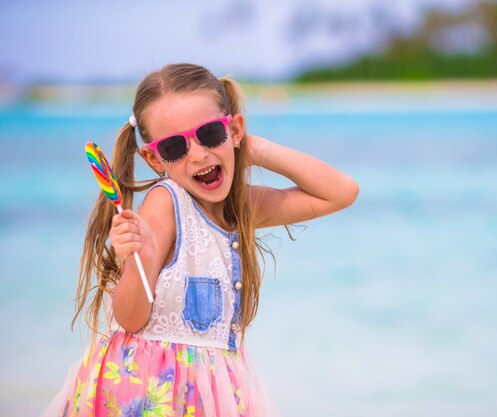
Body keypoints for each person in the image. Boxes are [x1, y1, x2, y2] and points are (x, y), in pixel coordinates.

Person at [43, 63, 359, 417]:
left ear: (234, 129)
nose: (197, 154)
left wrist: (254, 148)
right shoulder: (166, 204)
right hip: (150, 393)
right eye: (175, 147)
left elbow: (341, 192)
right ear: (153, 158)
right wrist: (138, 257)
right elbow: (130, 319)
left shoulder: (241, 206)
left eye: (210, 134)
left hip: (214, 393)